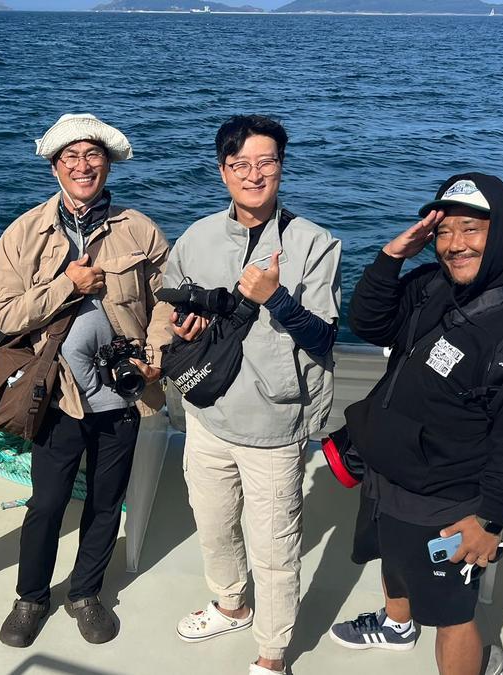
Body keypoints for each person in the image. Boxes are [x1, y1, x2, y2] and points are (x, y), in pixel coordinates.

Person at [331, 174, 503, 675]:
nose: (454, 244)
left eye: (471, 229)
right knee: (392, 558)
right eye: (444, 231)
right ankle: (396, 625)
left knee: (453, 616)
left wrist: (490, 521)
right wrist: (393, 256)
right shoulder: (432, 286)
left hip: (447, 498)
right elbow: (369, 324)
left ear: (502, 234)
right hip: (390, 472)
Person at [0, 113, 173, 648]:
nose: (82, 165)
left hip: (123, 393)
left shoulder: (139, 228)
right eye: (70, 157)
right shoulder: (23, 233)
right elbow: (4, 314)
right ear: (53, 167)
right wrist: (66, 286)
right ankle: (31, 596)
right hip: (58, 395)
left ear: (108, 164)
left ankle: (86, 593)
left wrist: (156, 353)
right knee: (45, 503)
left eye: (92, 155)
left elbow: (167, 298)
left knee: (107, 501)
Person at [166, 114, 342, 675]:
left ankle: (271, 656)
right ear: (223, 172)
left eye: (266, 162)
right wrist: (182, 324)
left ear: (281, 167)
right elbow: (172, 303)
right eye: (240, 164)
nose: (254, 174)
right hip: (208, 414)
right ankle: (230, 605)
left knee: (274, 550)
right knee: (214, 526)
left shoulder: (314, 243)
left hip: (276, 424)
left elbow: (325, 336)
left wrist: (277, 299)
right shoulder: (196, 236)